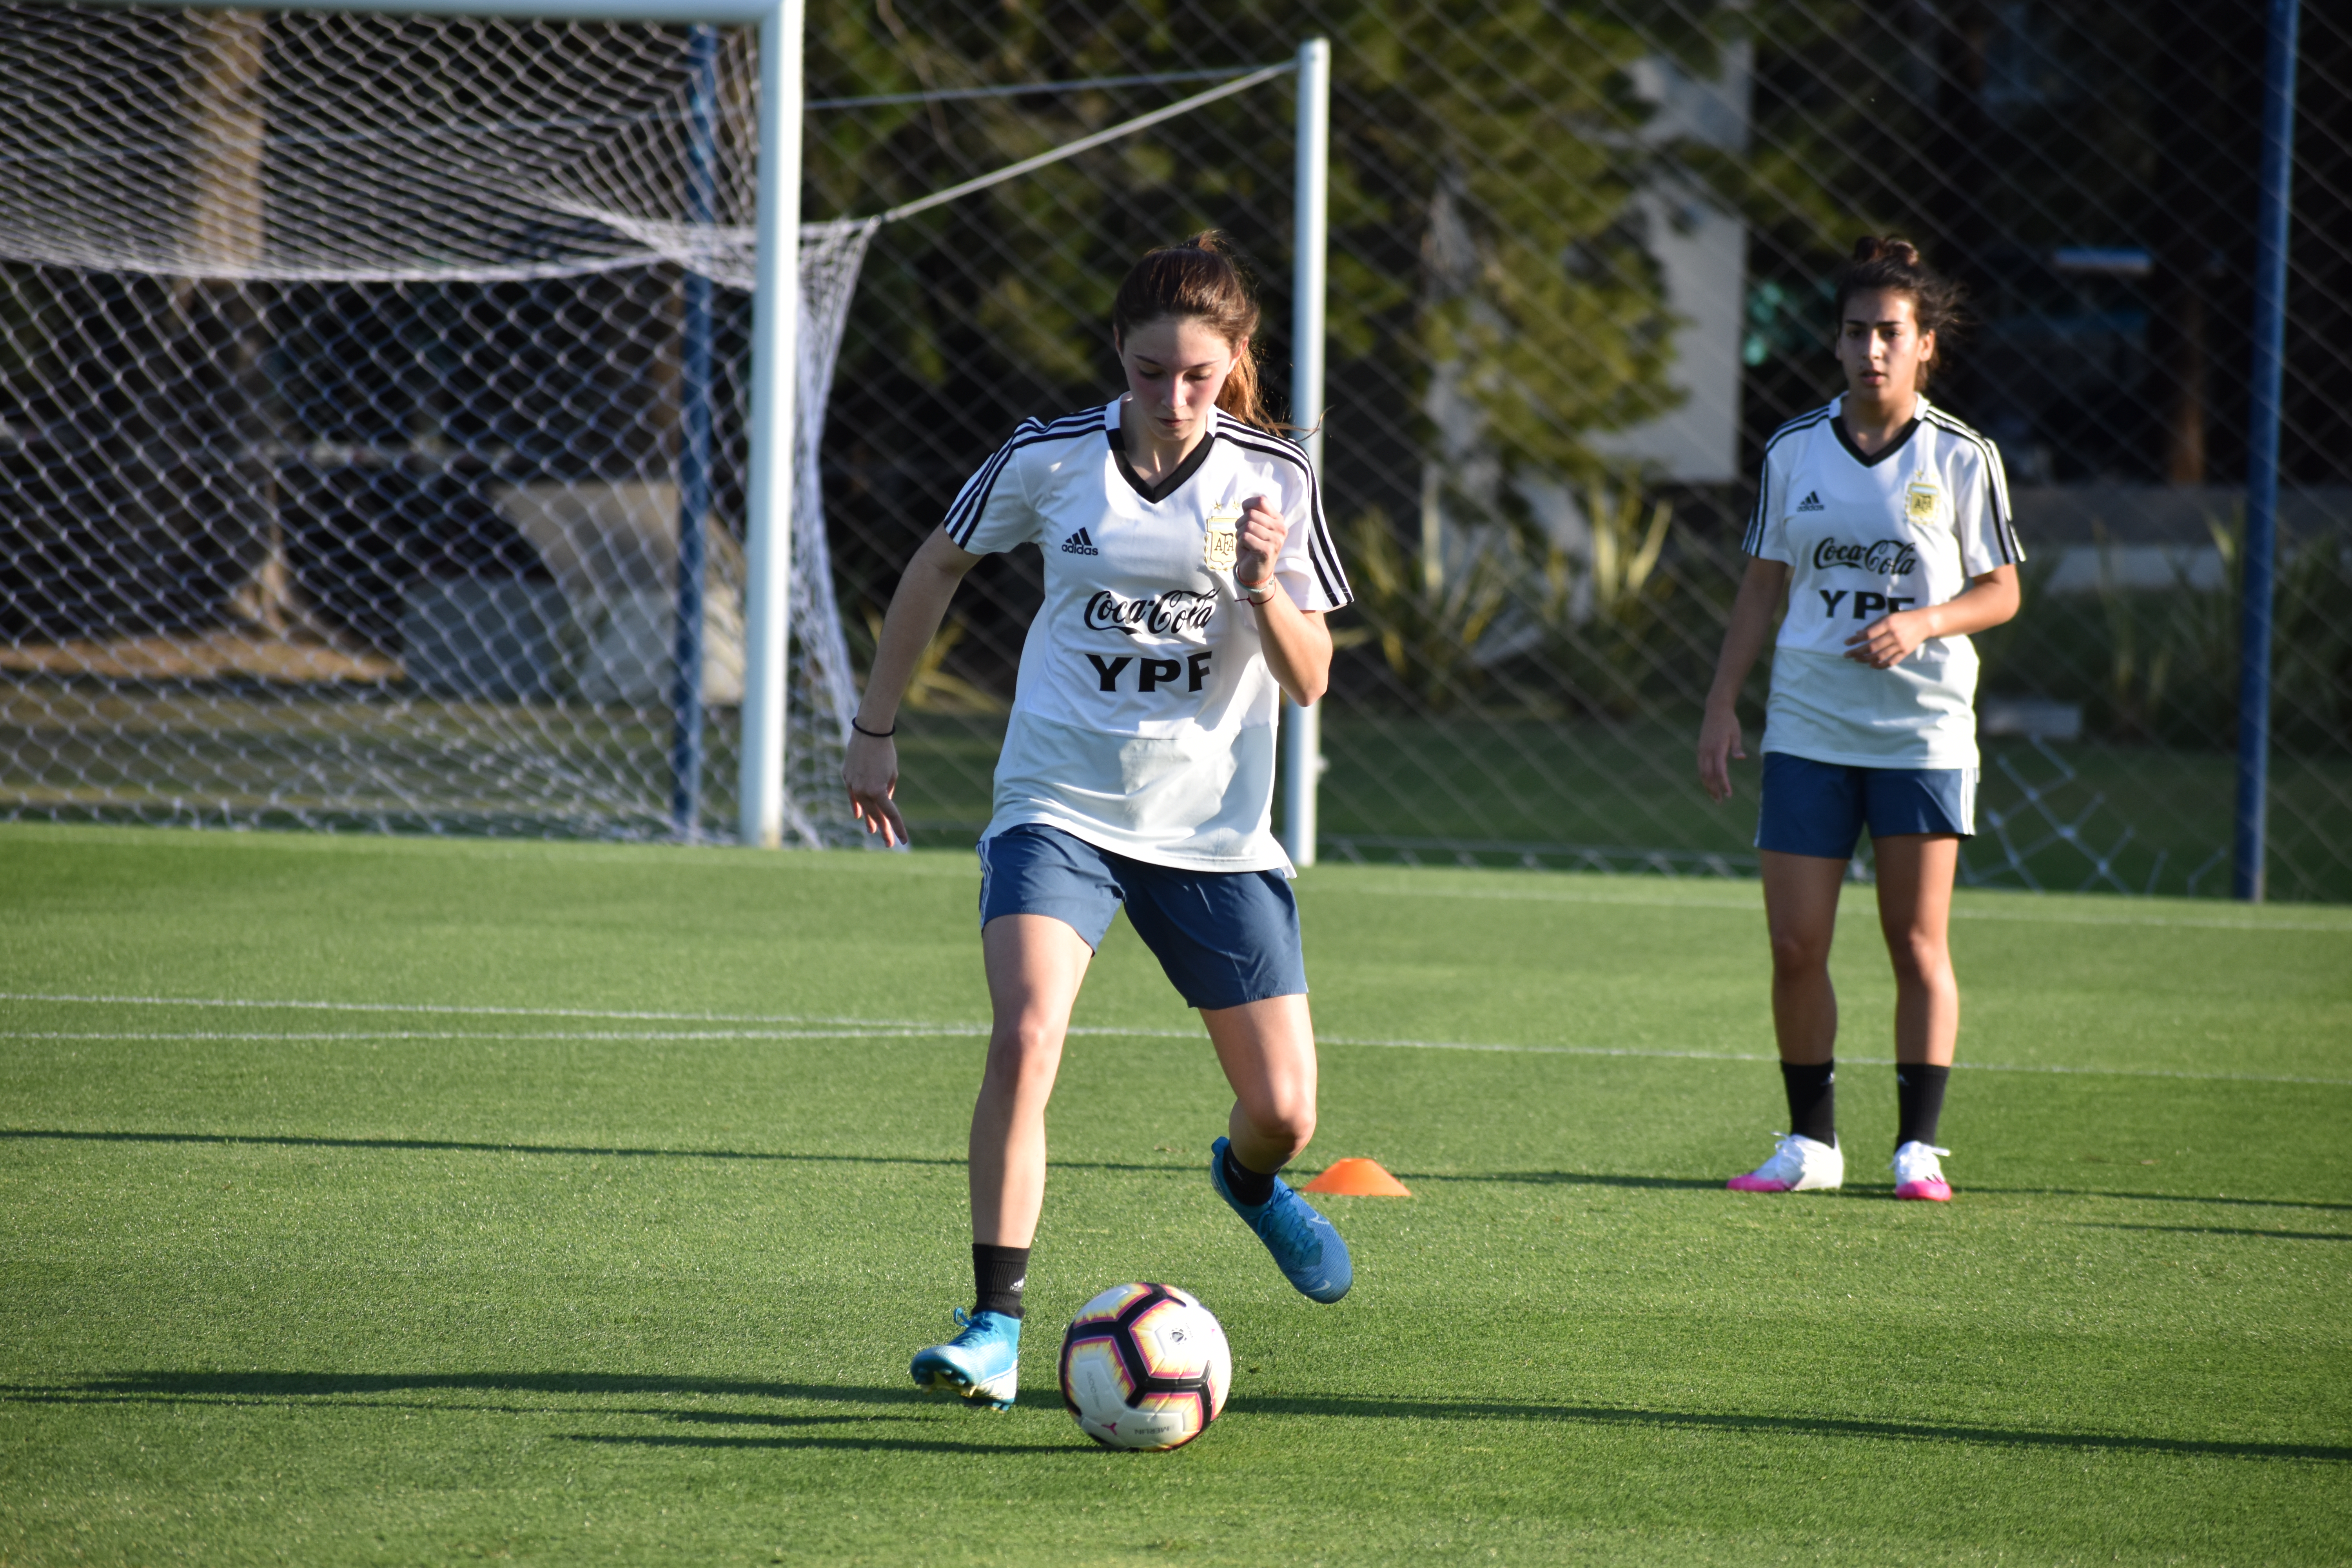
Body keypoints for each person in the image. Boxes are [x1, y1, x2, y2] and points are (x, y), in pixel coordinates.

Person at [843, 233, 1356, 1410]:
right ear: (1117, 354)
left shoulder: (1274, 478)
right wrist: (875, 726)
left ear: (1236, 360)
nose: (1173, 399)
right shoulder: (1050, 457)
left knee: (1284, 1112)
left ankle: (1248, 1181)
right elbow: (934, 566)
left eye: (1198, 376)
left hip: (1211, 833)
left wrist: (1260, 586)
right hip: (1057, 806)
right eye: (1148, 372)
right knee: (1026, 1035)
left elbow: (1312, 679)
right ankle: (993, 1327)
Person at [1697, 235, 2022, 1202]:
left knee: (1916, 943)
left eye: (1890, 332)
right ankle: (1812, 1144)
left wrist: (1924, 620)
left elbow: (2002, 590)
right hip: (1808, 725)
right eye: (1855, 332)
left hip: (1922, 731)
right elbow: (1762, 586)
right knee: (1795, 943)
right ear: (1836, 344)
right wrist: (1721, 702)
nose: (1872, 349)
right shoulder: (1793, 449)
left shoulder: (1962, 455)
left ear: (1925, 345)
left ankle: (1917, 1147)